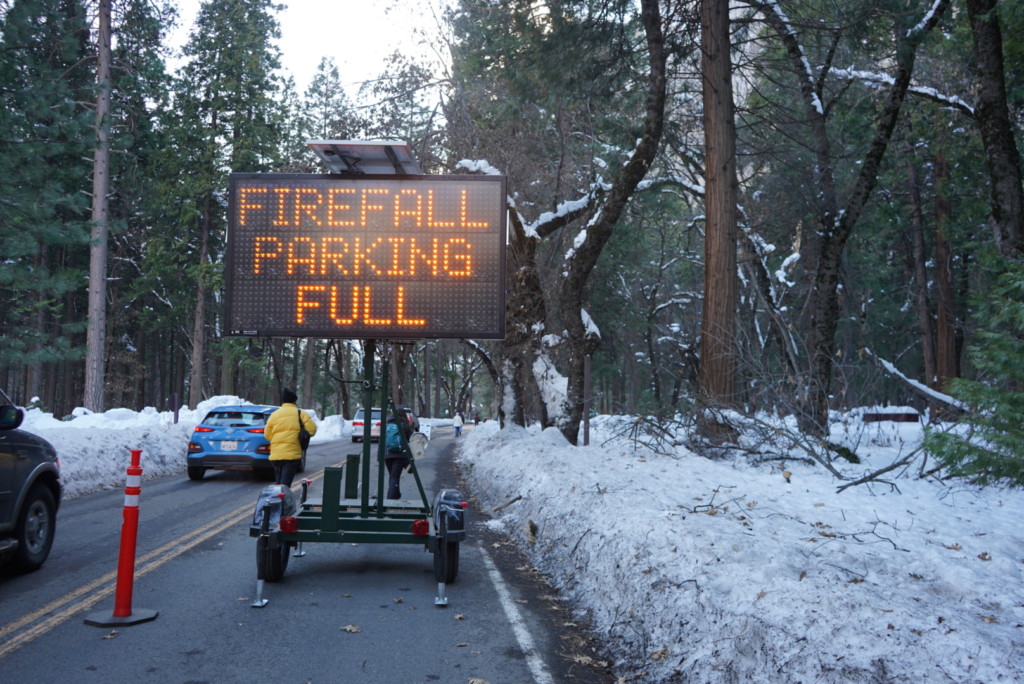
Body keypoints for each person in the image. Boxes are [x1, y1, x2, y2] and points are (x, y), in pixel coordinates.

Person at [263, 388, 317, 487]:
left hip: (276, 455)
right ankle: (283, 500)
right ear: (294, 401)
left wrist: (277, 441)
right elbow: (312, 430)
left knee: (278, 483)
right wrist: (301, 434)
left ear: (283, 401)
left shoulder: (274, 415)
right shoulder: (300, 413)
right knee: (285, 484)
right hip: (291, 454)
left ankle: (277, 499)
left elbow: (267, 434)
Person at [382, 413, 411, 499]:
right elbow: (412, 442)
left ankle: (395, 494)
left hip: (388, 455)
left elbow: (382, 442)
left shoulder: (387, 426)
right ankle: (391, 497)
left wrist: (380, 457)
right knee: (395, 476)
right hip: (400, 455)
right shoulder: (406, 427)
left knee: (392, 475)